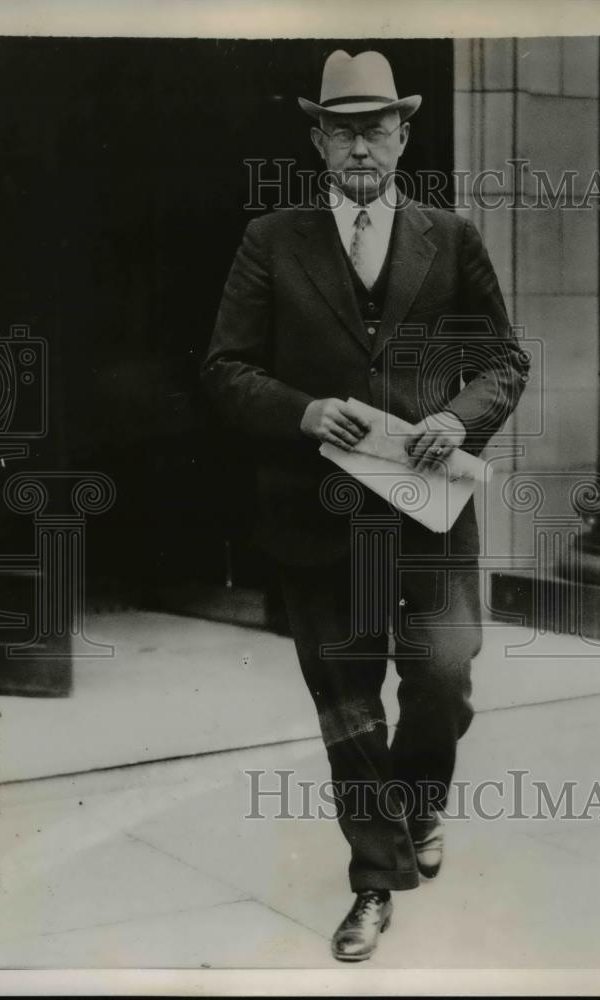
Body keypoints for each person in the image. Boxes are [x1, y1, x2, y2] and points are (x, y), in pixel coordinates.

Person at [201, 49, 530, 962]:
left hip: (430, 511)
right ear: (317, 138)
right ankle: (375, 881)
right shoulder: (272, 239)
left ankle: (419, 799)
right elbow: (224, 371)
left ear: (402, 135)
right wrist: (305, 411)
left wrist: (457, 422)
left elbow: (505, 360)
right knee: (348, 701)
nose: (359, 144)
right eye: (341, 127)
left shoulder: (450, 235)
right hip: (315, 511)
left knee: (444, 678)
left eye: (375, 126)